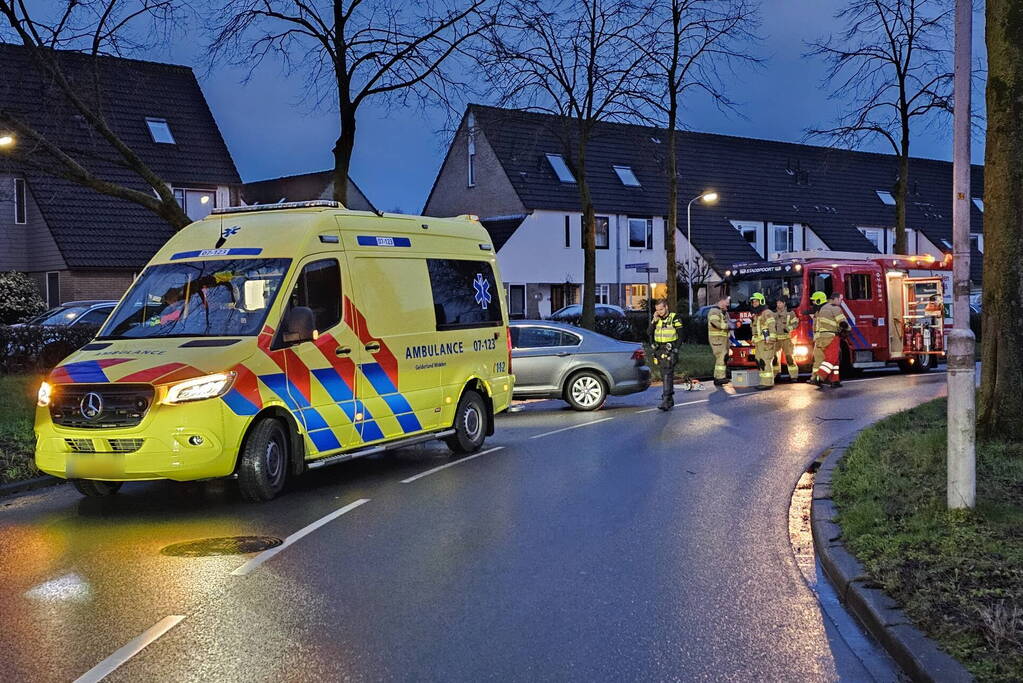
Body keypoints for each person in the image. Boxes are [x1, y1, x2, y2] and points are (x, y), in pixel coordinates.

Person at [649, 298, 683, 410]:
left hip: (670, 349)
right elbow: (648, 332)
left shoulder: (674, 317)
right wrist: (654, 320)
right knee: (664, 373)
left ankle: (666, 399)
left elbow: (681, 334)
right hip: (659, 349)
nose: (660, 312)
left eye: (661, 309)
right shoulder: (657, 319)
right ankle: (669, 399)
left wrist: (676, 348)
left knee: (667, 373)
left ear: (666, 307)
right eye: (657, 310)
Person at [810, 291, 849, 388]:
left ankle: (834, 380)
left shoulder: (820, 311)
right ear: (835, 299)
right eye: (840, 300)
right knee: (832, 358)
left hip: (820, 338)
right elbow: (843, 323)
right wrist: (847, 329)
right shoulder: (834, 308)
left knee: (834, 360)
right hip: (832, 337)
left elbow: (815, 326)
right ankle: (819, 377)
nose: (840, 302)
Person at [750, 292, 775, 390]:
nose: (754, 303)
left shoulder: (767, 313)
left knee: (765, 361)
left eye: (756, 301)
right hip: (759, 342)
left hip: (766, 342)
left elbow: (772, 326)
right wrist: (753, 338)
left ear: (761, 301)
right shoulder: (756, 315)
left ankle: (768, 382)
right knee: (759, 361)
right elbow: (755, 329)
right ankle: (763, 381)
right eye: (753, 302)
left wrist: (771, 338)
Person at [773, 298, 800, 381]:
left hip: (786, 339)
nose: (779, 304)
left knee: (789, 358)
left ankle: (794, 376)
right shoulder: (773, 314)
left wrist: (788, 328)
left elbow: (796, 323)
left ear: (784, 303)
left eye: (780, 303)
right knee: (774, 358)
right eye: (777, 303)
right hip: (776, 339)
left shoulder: (790, 313)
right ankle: (776, 375)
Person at [707, 295, 731, 386]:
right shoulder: (714, 311)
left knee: (722, 358)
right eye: (727, 303)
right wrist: (727, 326)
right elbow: (715, 323)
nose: (728, 305)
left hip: (722, 339)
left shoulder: (722, 311)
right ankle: (720, 377)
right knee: (721, 357)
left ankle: (718, 377)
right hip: (717, 339)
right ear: (722, 301)